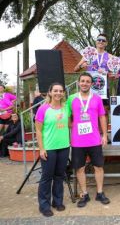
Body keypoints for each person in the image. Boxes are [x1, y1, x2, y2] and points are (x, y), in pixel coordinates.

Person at [67, 72, 110, 208]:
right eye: (82, 81)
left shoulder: (97, 98)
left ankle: (100, 192)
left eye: (87, 81)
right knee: (79, 168)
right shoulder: (71, 98)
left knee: (99, 167)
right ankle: (84, 194)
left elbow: (102, 117)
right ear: (78, 82)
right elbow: (68, 116)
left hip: (94, 140)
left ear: (91, 84)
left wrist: (104, 135)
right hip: (78, 141)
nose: (85, 83)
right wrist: (72, 126)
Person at [35, 82, 70, 217]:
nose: (58, 93)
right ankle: (44, 205)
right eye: (55, 91)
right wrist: (41, 148)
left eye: (60, 91)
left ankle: (57, 201)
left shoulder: (66, 108)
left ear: (63, 93)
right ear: (50, 92)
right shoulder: (43, 109)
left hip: (64, 147)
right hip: (49, 148)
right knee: (46, 177)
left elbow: (70, 122)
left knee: (59, 176)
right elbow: (38, 130)